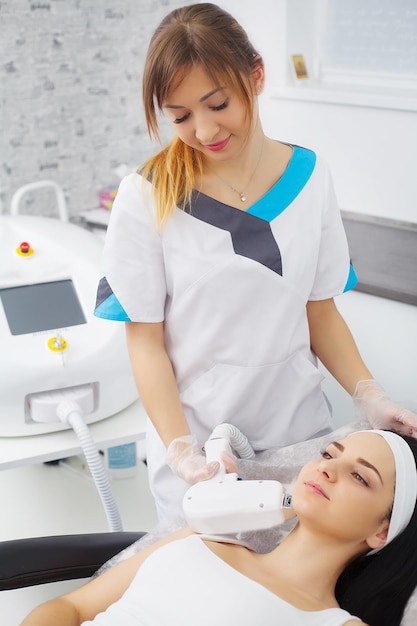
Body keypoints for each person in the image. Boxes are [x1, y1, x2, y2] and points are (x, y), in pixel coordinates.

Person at [93, 3, 417, 520]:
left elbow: (320, 312)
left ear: (256, 76)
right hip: (201, 460)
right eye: (179, 116)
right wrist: (182, 450)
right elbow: (145, 342)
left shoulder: (310, 177)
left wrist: (368, 395)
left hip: (303, 446)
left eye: (217, 104)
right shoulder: (146, 197)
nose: (202, 130)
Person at [20, 430, 417, 626]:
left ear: (382, 532)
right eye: (330, 453)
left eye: (360, 477)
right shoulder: (202, 538)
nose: (327, 468)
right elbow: (69, 607)